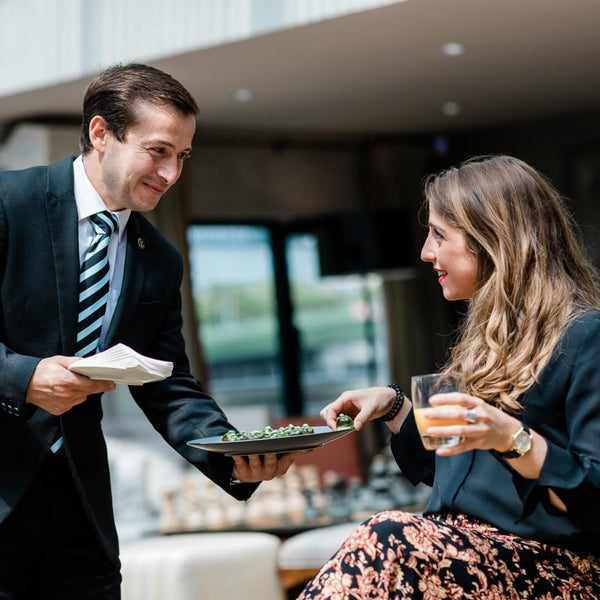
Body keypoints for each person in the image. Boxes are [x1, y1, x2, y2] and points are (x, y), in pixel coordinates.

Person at [0, 63, 298, 599]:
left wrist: (235, 455)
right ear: (100, 134)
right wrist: (23, 376)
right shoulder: (7, 203)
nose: (171, 172)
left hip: (79, 509)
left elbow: (167, 383)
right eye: (158, 150)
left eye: (182, 156)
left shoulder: (158, 259)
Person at [298, 155, 600, 599]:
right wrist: (395, 406)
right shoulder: (487, 339)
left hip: (552, 568)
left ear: (493, 239)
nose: (425, 251)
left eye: (439, 233)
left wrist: (512, 438)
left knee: (387, 536)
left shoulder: (585, 335)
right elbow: (452, 474)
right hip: (457, 551)